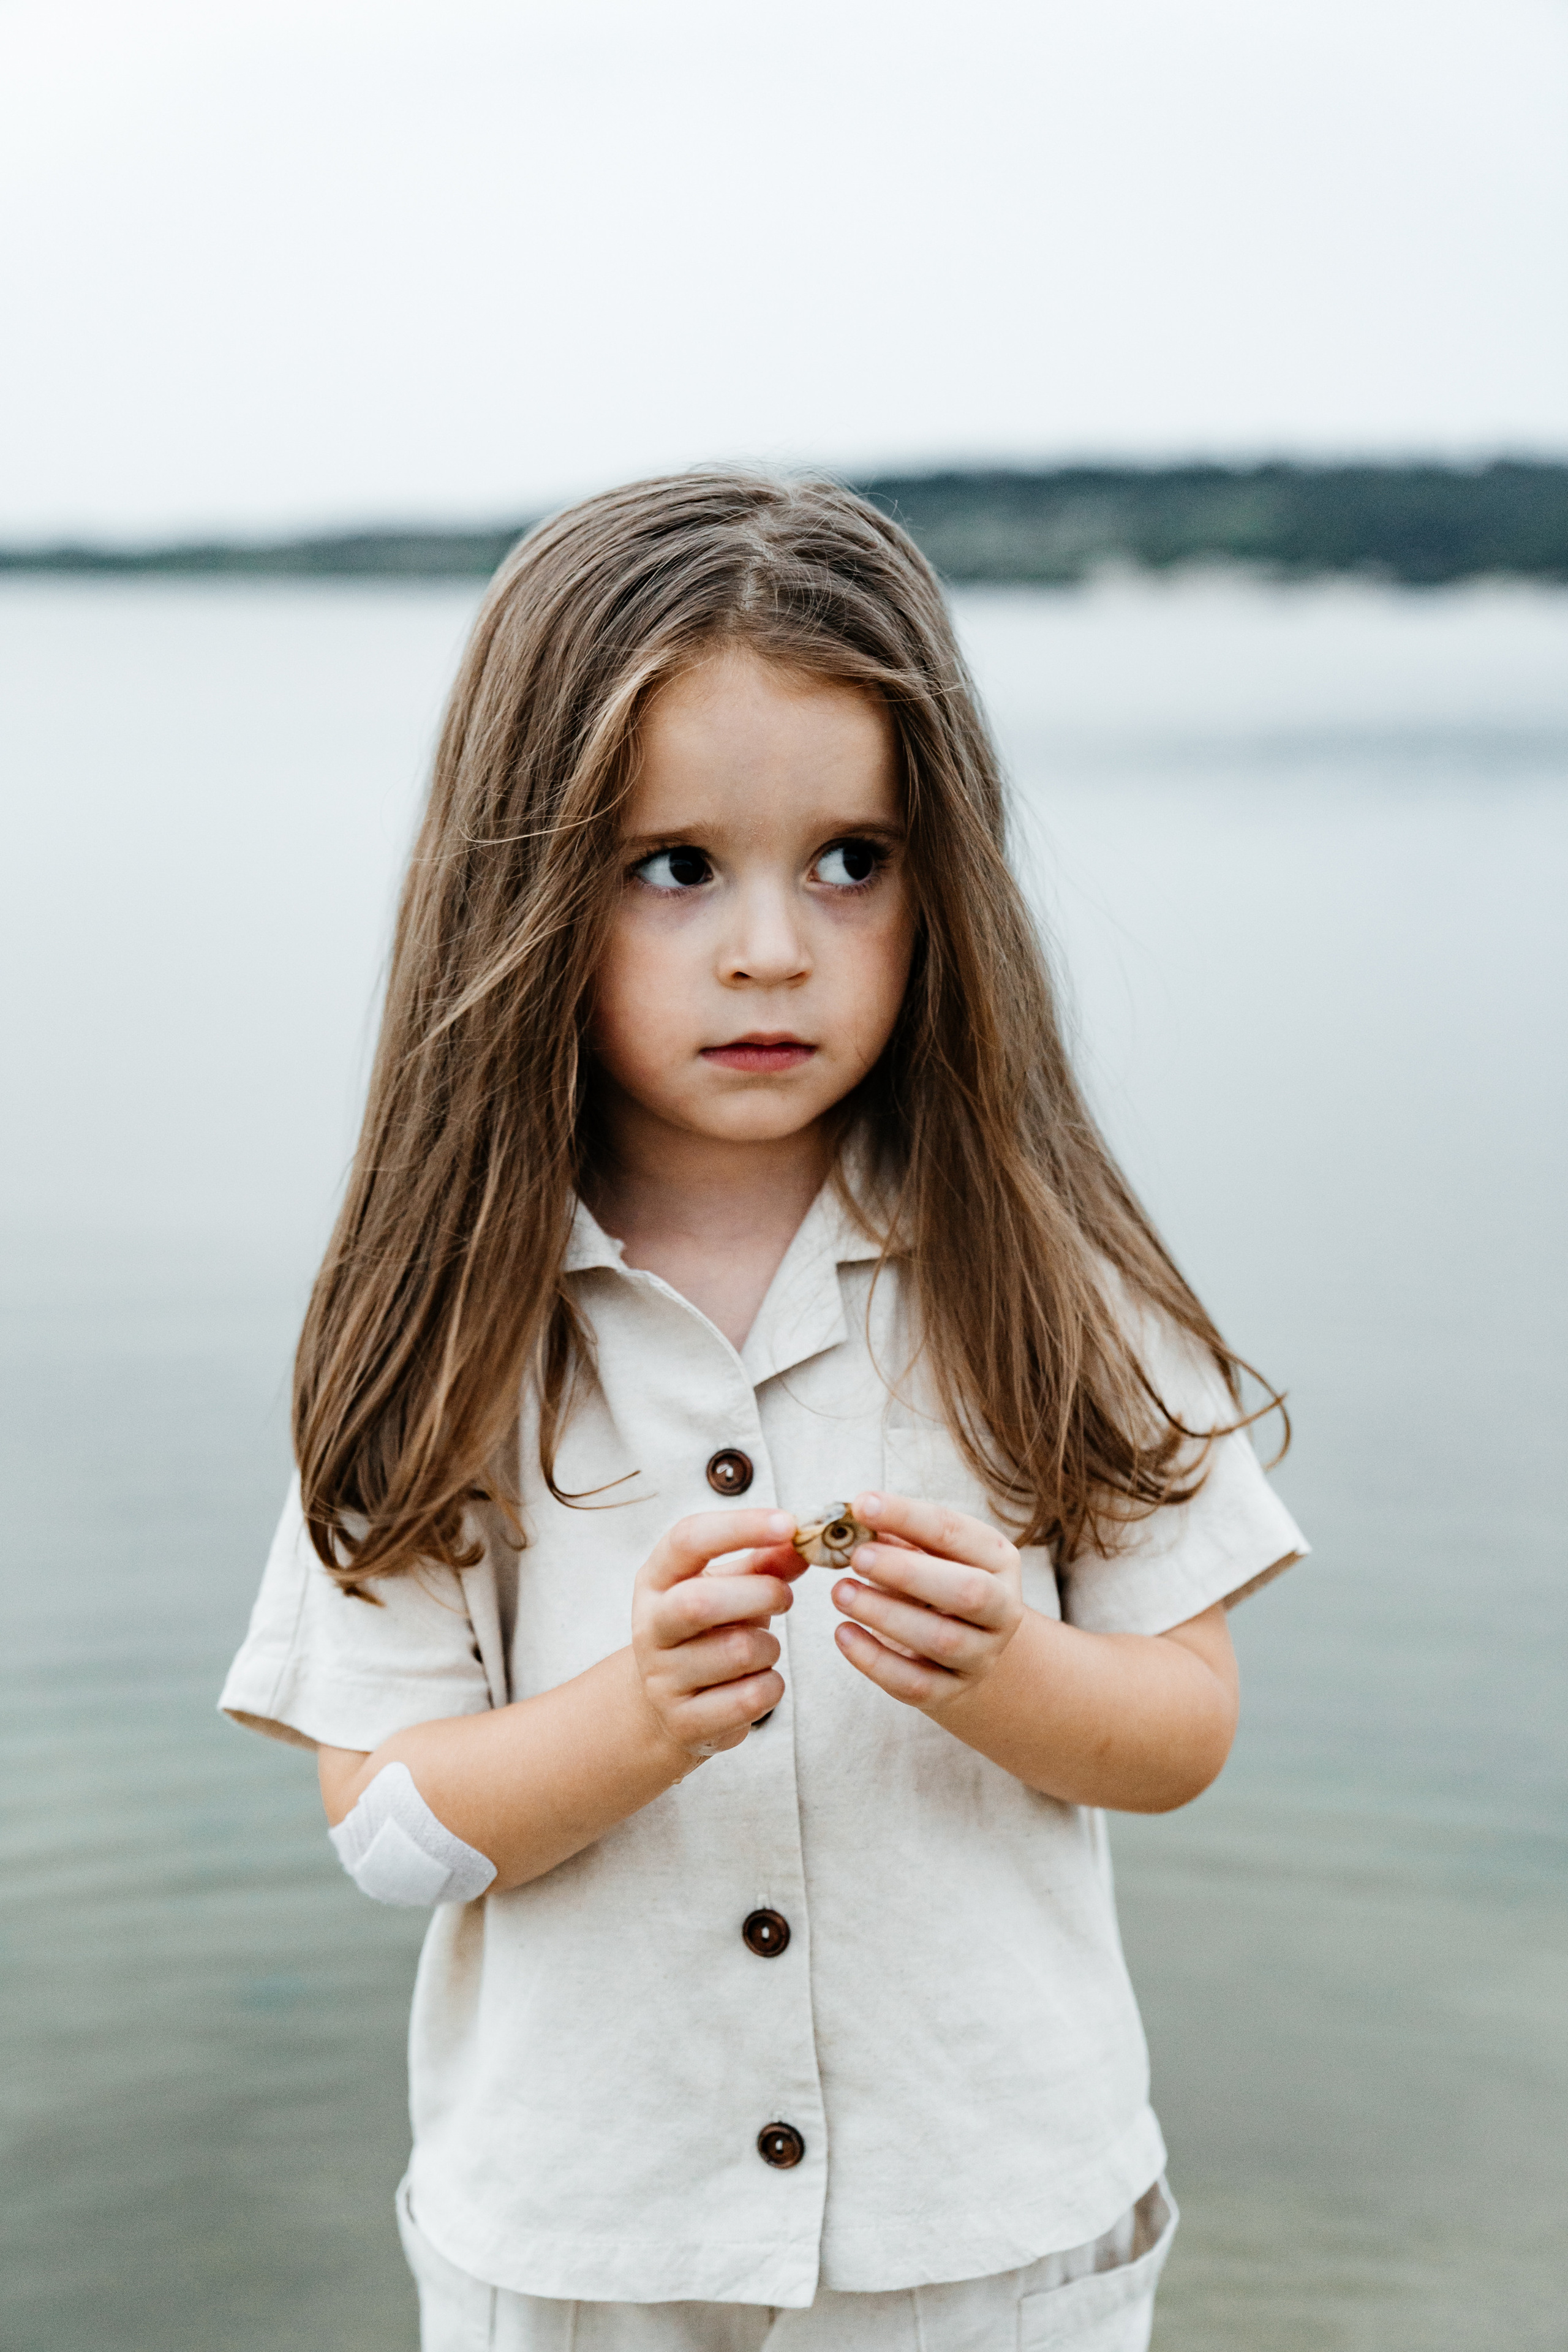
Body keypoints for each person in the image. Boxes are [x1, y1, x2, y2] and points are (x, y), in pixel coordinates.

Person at [221, 472, 1305, 2352]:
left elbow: (1183, 1731)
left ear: (941, 876)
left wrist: (1012, 1676)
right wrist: (630, 1722)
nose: (773, 950)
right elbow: (386, 1835)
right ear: (526, 882)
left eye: (851, 861)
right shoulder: (440, 1315)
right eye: (676, 868)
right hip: (588, 2259)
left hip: (996, 2245)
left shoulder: (1052, 1273)